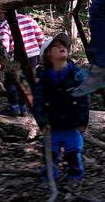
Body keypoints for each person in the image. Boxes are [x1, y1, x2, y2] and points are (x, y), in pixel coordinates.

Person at [32, 32, 89, 180]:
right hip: (52, 126)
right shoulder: (44, 77)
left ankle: (75, 177)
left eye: (63, 45)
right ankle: (50, 176)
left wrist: (83, 122)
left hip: (72, 125)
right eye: (56, 46)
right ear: (48, 54)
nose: (61, 47)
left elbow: (84, 100)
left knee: (73, 155)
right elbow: (37, 102)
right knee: (50, 155)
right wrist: (42, 123)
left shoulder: (76, 75)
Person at [0, 11, 44, 116]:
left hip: (16, 57)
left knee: (11, 82)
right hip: (33, 55)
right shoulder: (29, 19)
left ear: (3, 12)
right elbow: (40, 38)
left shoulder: (5, 25)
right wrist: (41, 53)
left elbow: (4, 46)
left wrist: (2, 60)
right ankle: (23, 108)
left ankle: (15, 107)